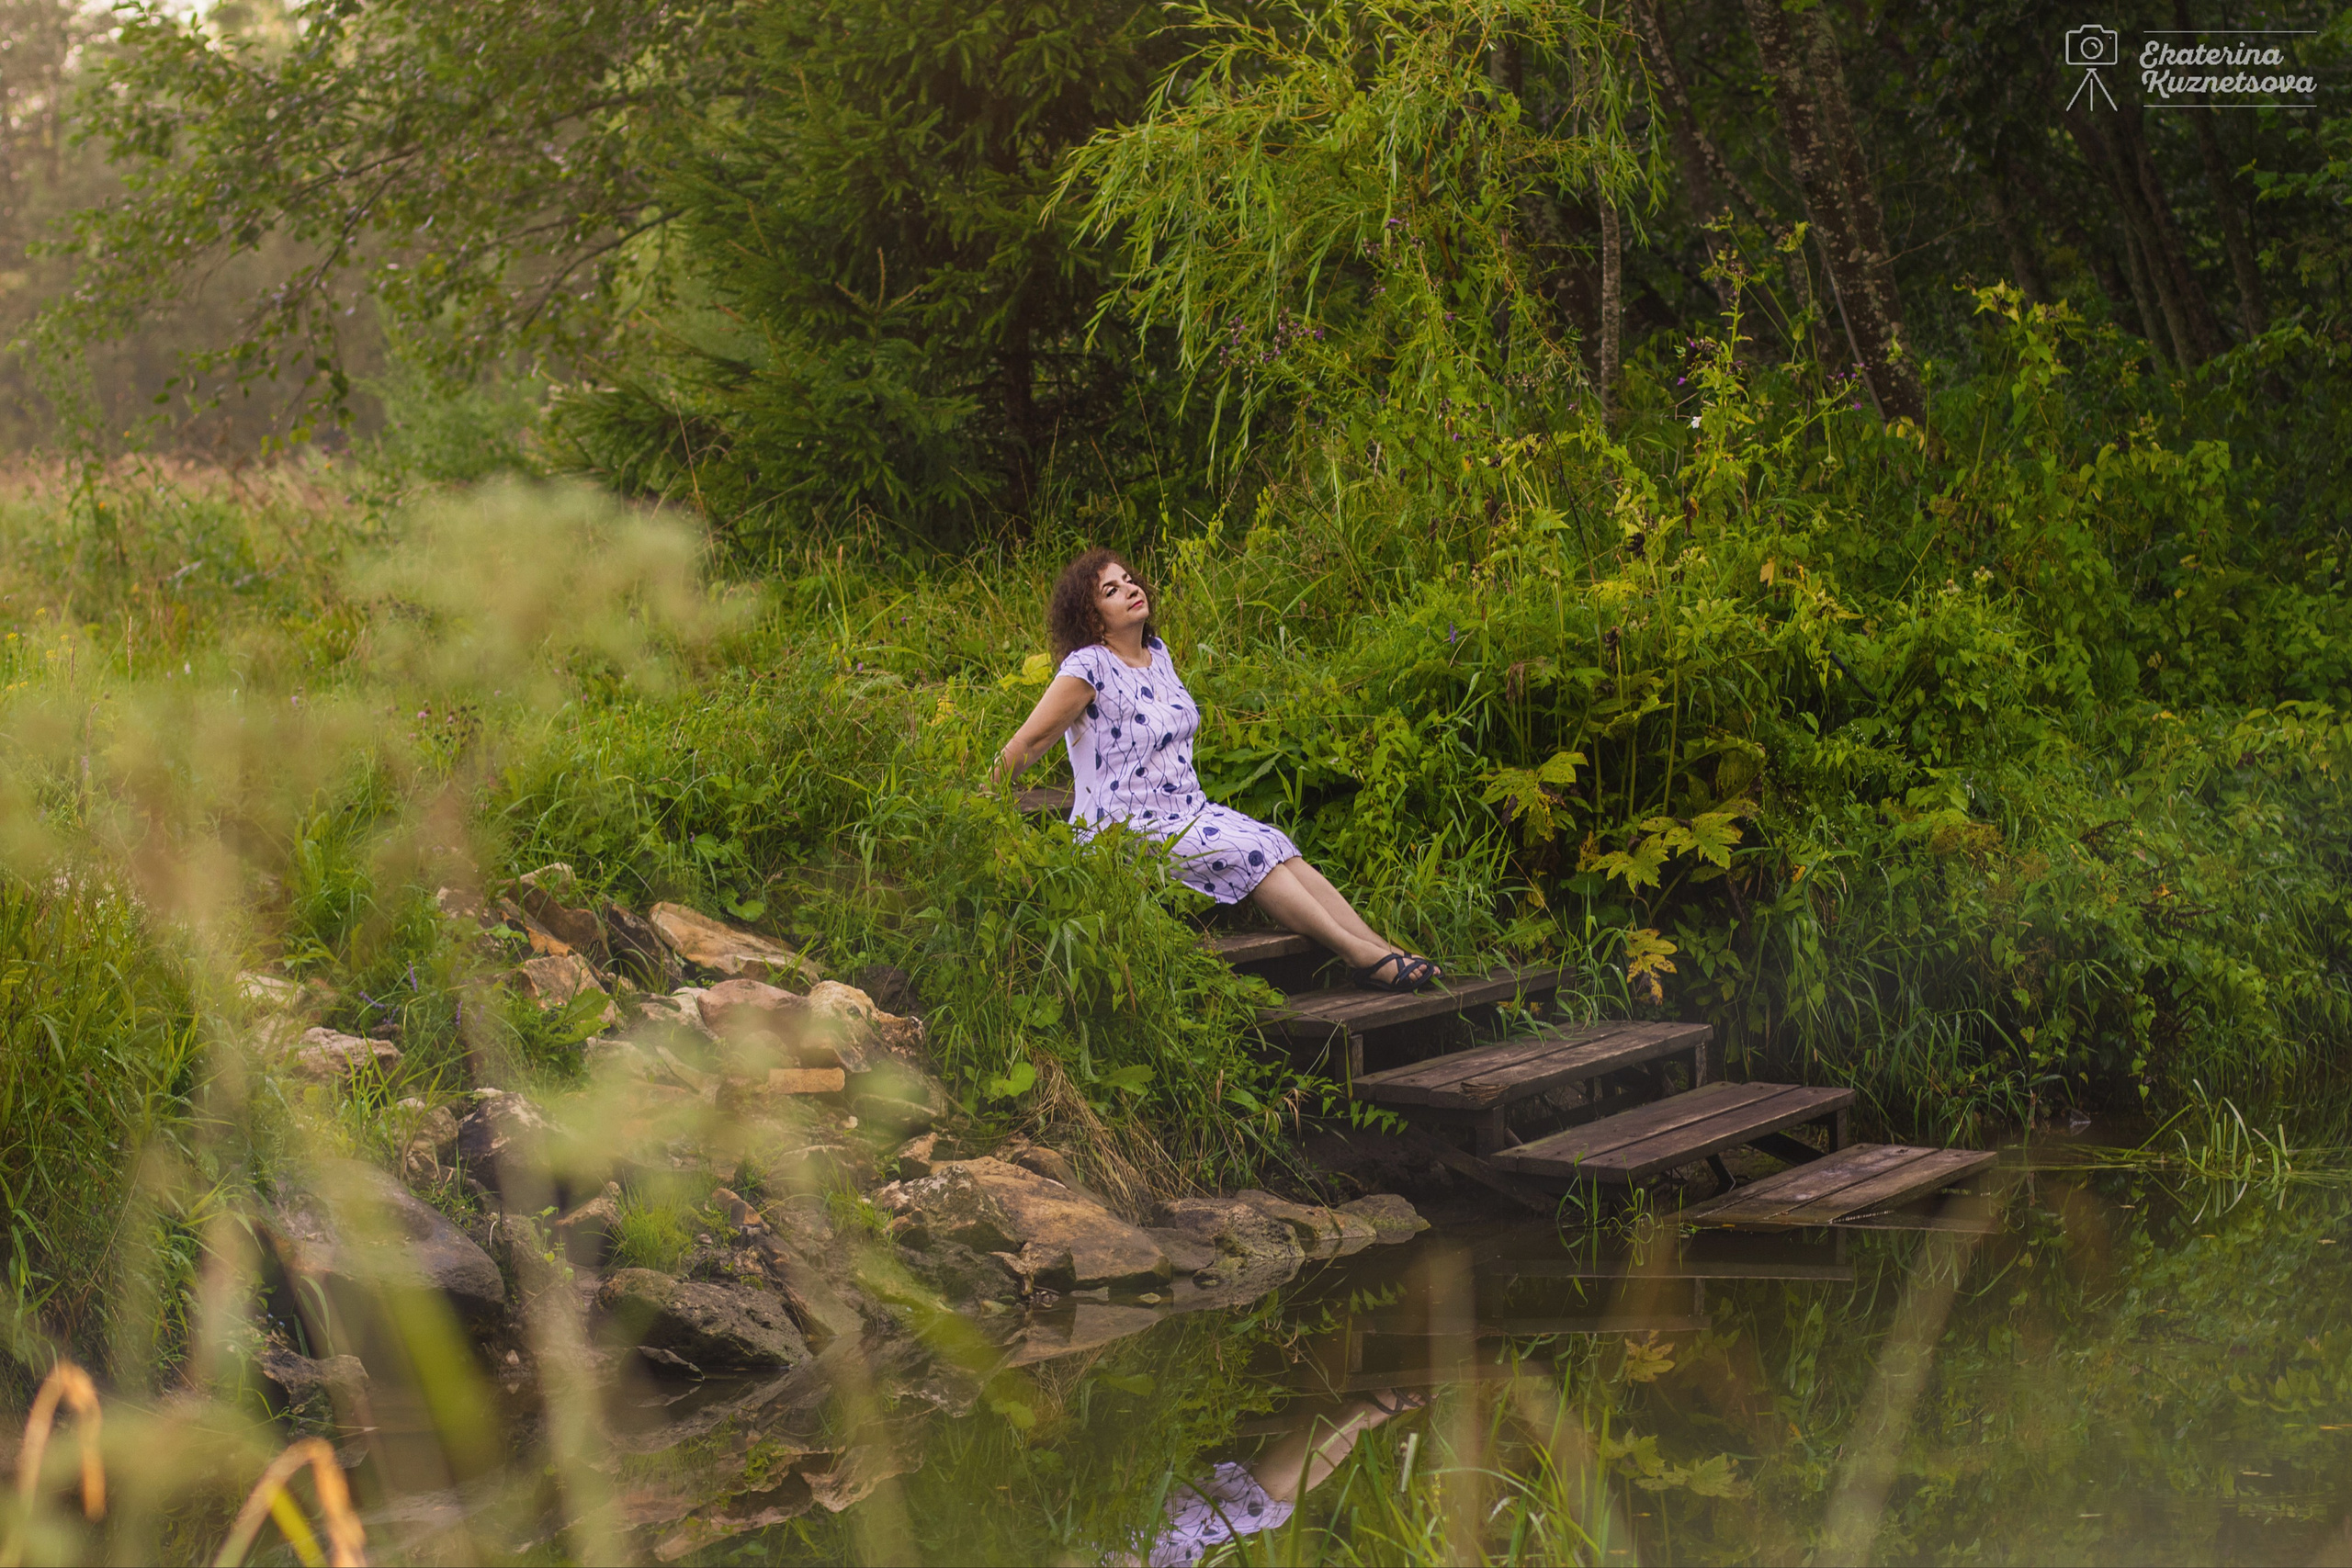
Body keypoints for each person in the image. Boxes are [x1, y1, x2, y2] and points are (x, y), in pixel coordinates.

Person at [994, 547, 1442, 992]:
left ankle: (1383, 947)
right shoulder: (1088, 666)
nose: (1130, 588)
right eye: (1111, 590)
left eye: (1129, 579)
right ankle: (1357, 955)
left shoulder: (1158, 655)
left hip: (1188, 811)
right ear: (1093, 619)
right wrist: (985, 794)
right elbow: (1029, 741)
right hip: (1123, 828)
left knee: (1275, 844)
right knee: (1249, 852)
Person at [1142, 1392, 1427, 1567]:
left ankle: (1360, 1411)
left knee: (1247, 1508)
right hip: (1171, 1546)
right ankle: (1368, 1415)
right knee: (1270, 1514)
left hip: (1135, 1535)